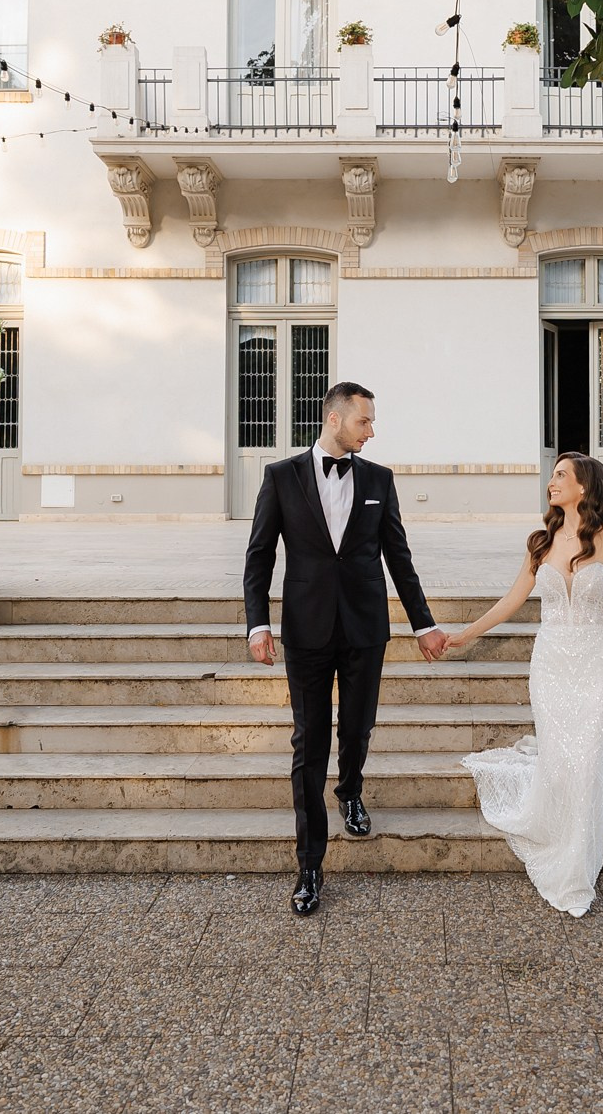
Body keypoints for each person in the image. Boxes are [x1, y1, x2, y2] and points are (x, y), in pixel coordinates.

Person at [243, 381, 448, 916]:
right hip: (306, 630)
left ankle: (350, 789)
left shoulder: (379, 479)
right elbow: (259, 556)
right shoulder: (281, 477)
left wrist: (423, 625)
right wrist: (257, 626)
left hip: (364, 628)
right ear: (335, 419)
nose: (372, 431)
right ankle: (310, 865)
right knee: (309, 742)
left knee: (356, 727)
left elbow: (398, 559)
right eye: (365, 421)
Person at [450, 452, 603, 916]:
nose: (551, 482)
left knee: (589, 756)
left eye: (560, 476)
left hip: (597, 663)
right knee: (560, 760)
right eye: (552, 475)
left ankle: (576, 869)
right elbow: (513, 600)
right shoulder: (541, 541)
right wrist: (464, 634)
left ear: (584, 486)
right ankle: (560, 841)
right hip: (552, 665)